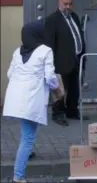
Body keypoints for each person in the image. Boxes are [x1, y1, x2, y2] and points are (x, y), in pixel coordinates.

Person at [3, 21, 63, 183]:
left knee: (25, 133)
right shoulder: (45, 51)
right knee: (28, 137)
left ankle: (25, 155)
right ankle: (18, 176)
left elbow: (10, 74)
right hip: (32, 98)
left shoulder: (18, 51)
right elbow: (50, 77)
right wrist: (57, 89)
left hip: (16, 98)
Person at [44, 0, 88, 125]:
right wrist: (51, 62)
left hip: (76, 58)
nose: (68, 6)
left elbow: (78, 35)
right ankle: (58, 114)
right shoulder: (52, 19)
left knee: (75, 88)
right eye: (65, 4)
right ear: (59, 3)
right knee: (61, 89)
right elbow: (49, 42)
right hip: (61, 60)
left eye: (70, 4)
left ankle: (72, 111)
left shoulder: (73, 16)